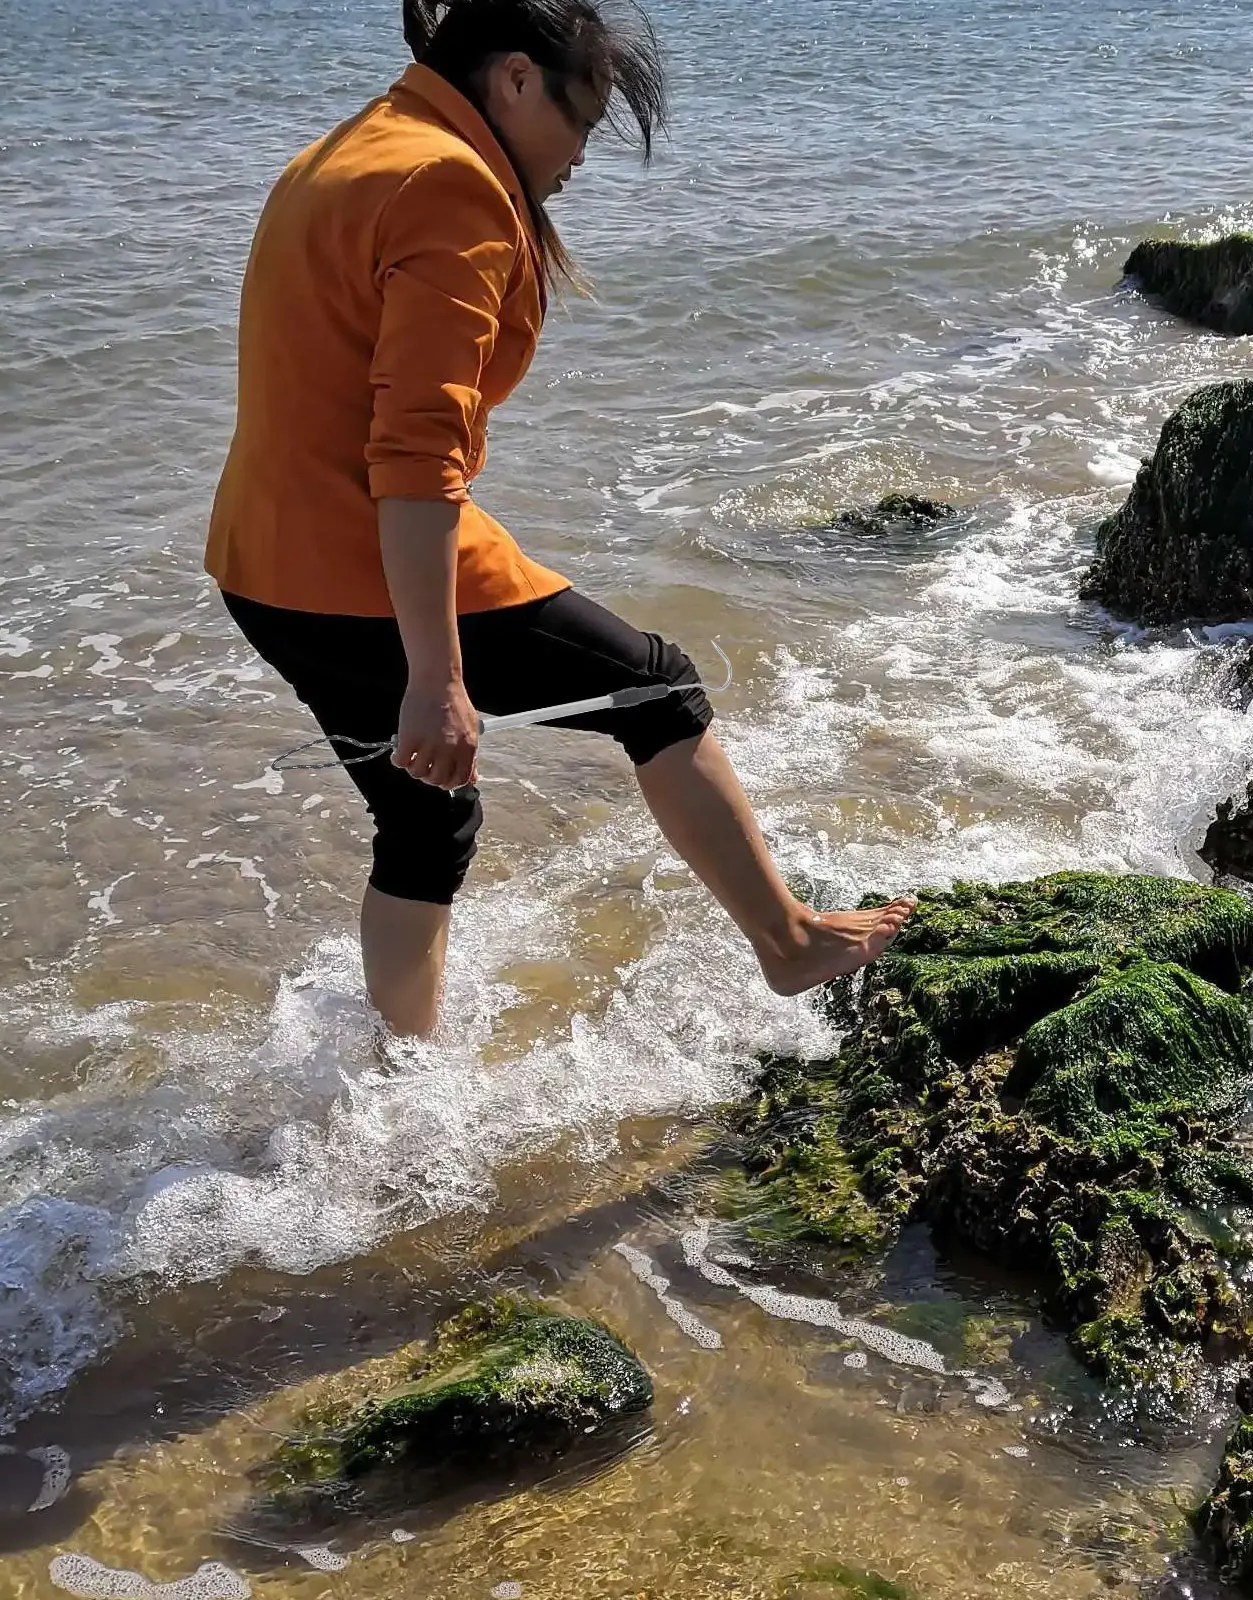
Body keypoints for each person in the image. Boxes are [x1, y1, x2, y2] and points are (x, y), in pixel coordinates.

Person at [206, 0, 915, 1037]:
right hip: (360, 560)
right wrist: (438, 681)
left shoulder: (349, 146)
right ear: (515, 80)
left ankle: (394, 1079)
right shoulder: (447, 185)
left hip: (262, 569)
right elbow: (412, 462)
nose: (585, 152)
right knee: (657, 691)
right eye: (582, 117)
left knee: (423, 819)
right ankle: (790, 943)